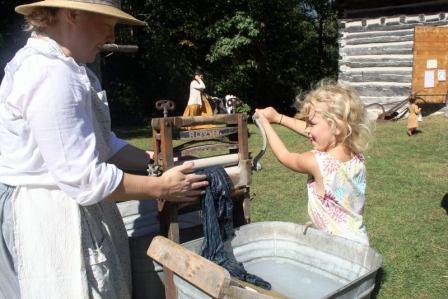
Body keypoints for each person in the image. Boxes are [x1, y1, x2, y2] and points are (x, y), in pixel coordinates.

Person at [0, 1, 208, 298]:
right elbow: (85, 179)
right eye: (107, 23)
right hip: (50, 219)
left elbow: (104, 143)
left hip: (78, 207)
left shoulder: (72, 69)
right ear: (72, 15)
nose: (111, 35)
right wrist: (162, 187)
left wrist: (159, 161)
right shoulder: (49, 74)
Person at [255, 81, 374, 245]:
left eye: (311, 123)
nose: (307, 130)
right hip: (358, 241)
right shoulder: (355, 155)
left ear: (336, 127)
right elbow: (320, 132)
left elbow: (285, 156)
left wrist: (265, 123)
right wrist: (277, 117)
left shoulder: (317, 162)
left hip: (337, 249)